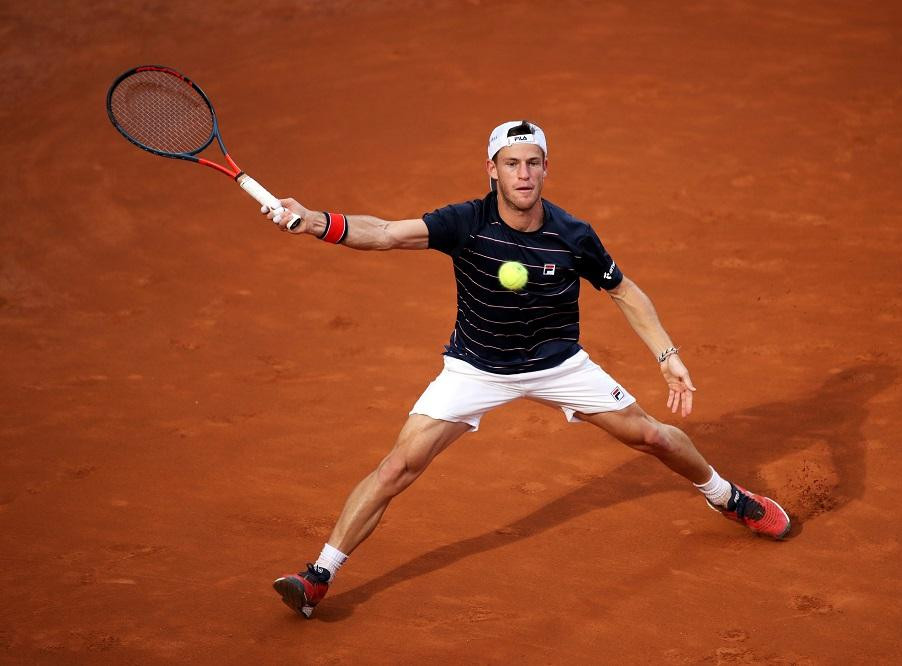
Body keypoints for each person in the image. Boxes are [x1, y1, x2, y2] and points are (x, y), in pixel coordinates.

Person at [265, 121, 791, 619]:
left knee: (652, 435)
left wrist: (666, 354)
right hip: (475, 367)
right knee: (397, 467)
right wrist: (315, 221)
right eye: (512, 163)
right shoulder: (465, 222)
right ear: (491, 169)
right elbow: (384, 233)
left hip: (557, 364)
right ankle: (318, 577)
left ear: (546, 169)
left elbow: (623, 291)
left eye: (533, 163)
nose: (523, 174)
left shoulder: (573, 235)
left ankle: (727, 497)